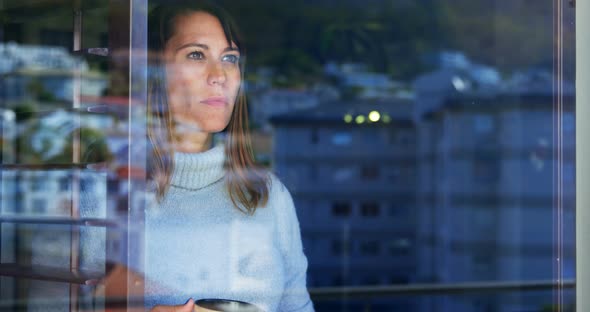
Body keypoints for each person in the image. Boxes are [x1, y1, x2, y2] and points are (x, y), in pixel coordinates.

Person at [144, 1, 314, 311]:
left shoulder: (268, 194)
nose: (219, 74)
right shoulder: (99, 196)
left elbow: (298, 306)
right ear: (153, 70)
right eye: (196, 54)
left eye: (230, 58)